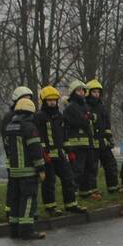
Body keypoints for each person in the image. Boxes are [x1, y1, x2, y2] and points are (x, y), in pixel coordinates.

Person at [35, 86, 88, 215]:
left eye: (54, 100)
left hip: (60, 154)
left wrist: (69, 151)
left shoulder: (59, 116)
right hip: (47, 155)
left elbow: (64, 136)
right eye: (49, 100)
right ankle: (51, 208)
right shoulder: (39, 117)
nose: (52, 102)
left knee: (68, 178)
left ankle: (71, 205)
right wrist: (43, 152)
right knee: (49, 182)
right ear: (44, 101)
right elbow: (38, 137)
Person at [3, 96, 46, 239]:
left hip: (14, 172)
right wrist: (40, 168)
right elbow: (35, 150)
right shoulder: (29, 127)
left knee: (15, 201)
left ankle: (14, 231)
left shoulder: (10, 126)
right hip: (28, 172)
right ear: (30, 112)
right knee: (28, 201)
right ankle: (27, 231)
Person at [63, 80, 99, 199]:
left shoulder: (84, 105)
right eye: (79, 90)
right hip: (76, 144)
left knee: (89, 169)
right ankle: (72, 193)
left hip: (87, 143)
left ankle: (85, 192)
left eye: (83, 90)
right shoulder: (71, 107)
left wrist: (89, 117)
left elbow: (91, 119)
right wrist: (87, 118)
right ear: (73, 92)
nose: (82, 92)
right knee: (77, 170)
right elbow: (81, 121)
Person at [86, 79, 121, 194]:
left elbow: (107, 123)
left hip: (103, 142)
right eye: (94, 92)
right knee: (92, 168)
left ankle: (113, 187)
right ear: (88, 92)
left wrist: (109, 137)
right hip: (92, 143)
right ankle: (93, 190)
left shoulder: (101, 106)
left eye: (98, 92)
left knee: (111, 165)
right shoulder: (86, 107)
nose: (96, 94)